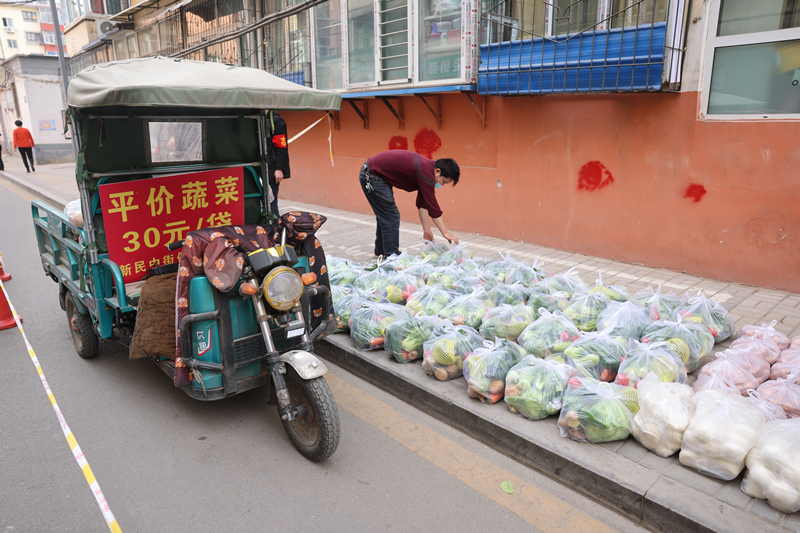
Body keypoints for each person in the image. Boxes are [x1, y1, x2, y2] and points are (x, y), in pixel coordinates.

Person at [359, 150, 460, 259]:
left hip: (375, 174)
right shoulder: (426, 172)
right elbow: (433, 206)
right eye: (444, 181)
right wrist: (445, 232)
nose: (442, 185)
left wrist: (426, 229)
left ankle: (381, 251)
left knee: (386, 215)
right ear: (438, 171)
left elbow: (423, 202)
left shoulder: (428, 169)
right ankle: (392, 257)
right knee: (391, 216)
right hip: (372, 175)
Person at [266, 110, 290, 219]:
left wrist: (279, 169)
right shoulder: (256, 118)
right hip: (258, 169)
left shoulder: (276, 121)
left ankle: (276, 228)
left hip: (272, 170)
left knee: (272, 205)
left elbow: (281, 147)